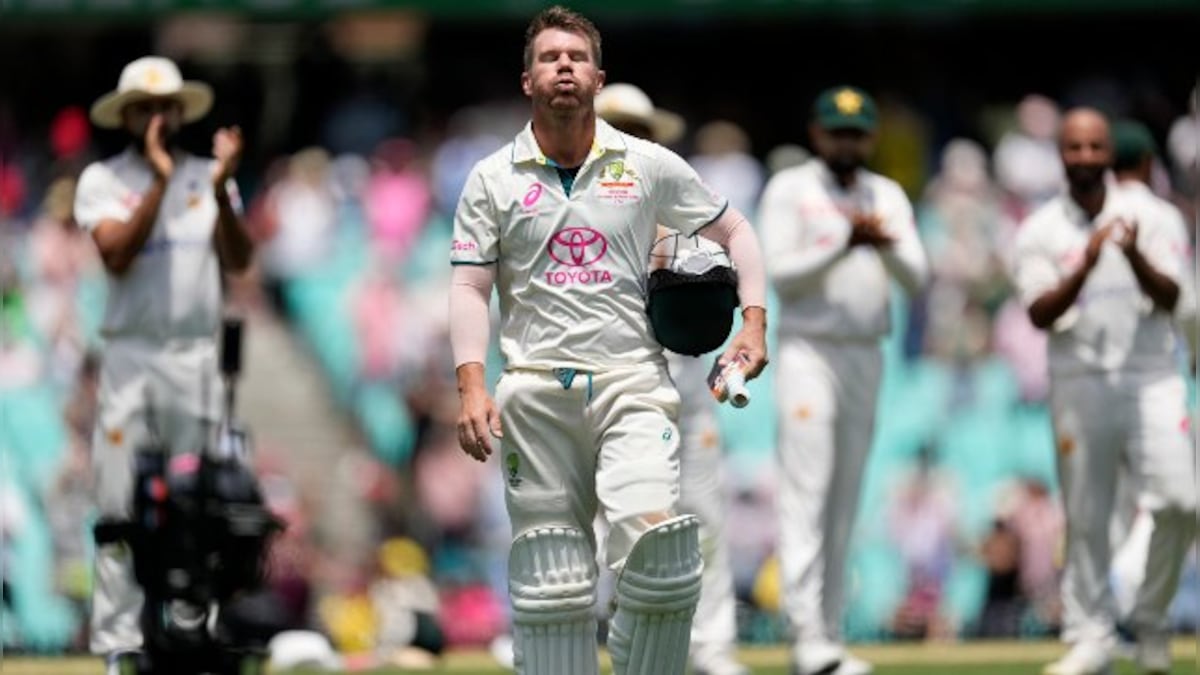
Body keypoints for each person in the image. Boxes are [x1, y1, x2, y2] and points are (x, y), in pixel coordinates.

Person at [447, 8, 769, 675]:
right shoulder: (491, 178)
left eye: (575, 56)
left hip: (632, 384)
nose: (562, 66)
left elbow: (736, 231)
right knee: (553, 583)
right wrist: (471, 382)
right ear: (527, 78)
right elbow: (471, 289)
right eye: (548, 57)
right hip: (534, 393)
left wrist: (754, 322)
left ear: (598, 75)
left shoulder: (647, 164)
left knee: (660, 548)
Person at [73, 56, 253, 675]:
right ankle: (120, 642)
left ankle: (192, 629)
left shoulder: (209, 175)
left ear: (179, 112)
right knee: (119, 497)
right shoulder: (102, 179)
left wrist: (225, 187)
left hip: (195, 354)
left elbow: (239, 255)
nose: (156, 117)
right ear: (127, 115)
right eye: (144, 107)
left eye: (164, 106)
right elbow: (116, 256)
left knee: (200, 498)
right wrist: (156, 181)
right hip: (131, 353)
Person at [1011, 108, 1196, 675]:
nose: (1087, 157)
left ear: (1110, 153)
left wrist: (1133, 254)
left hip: (1150, 377)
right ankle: (1090, 638)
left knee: (1182, 503)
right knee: (1087, 516)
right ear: (1061, 154)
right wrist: (1087, 262)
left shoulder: (1154, 216)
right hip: (1079, 380)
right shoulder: (1040, 229)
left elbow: (1173, 299)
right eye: (1075, 148)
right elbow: (1040, 313)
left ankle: (1150, 617)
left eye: (1096, 147)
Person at [757, 85, 929, 675]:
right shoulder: (791, 189)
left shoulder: (886, 194)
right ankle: (806, 637)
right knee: (808, 491)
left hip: (865, 353)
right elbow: (782, 277)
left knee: (845, 496)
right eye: (838, 131)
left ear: (872, 137)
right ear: (817, 134)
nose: (847, 142)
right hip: (809, 351)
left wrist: (882, 243)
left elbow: (917, 276)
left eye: (857, 132)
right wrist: (842, 241)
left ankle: (828, 634)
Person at [595, 81, 748, 675]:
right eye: (618, 128)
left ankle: (712, 649)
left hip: (686, 388)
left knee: (703, 518)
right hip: (612, 387)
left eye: (639, 130)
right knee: (606, 517)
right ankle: (594, 639)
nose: (630, 141)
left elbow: (726, 287)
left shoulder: (690, 202)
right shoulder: (575, 207)